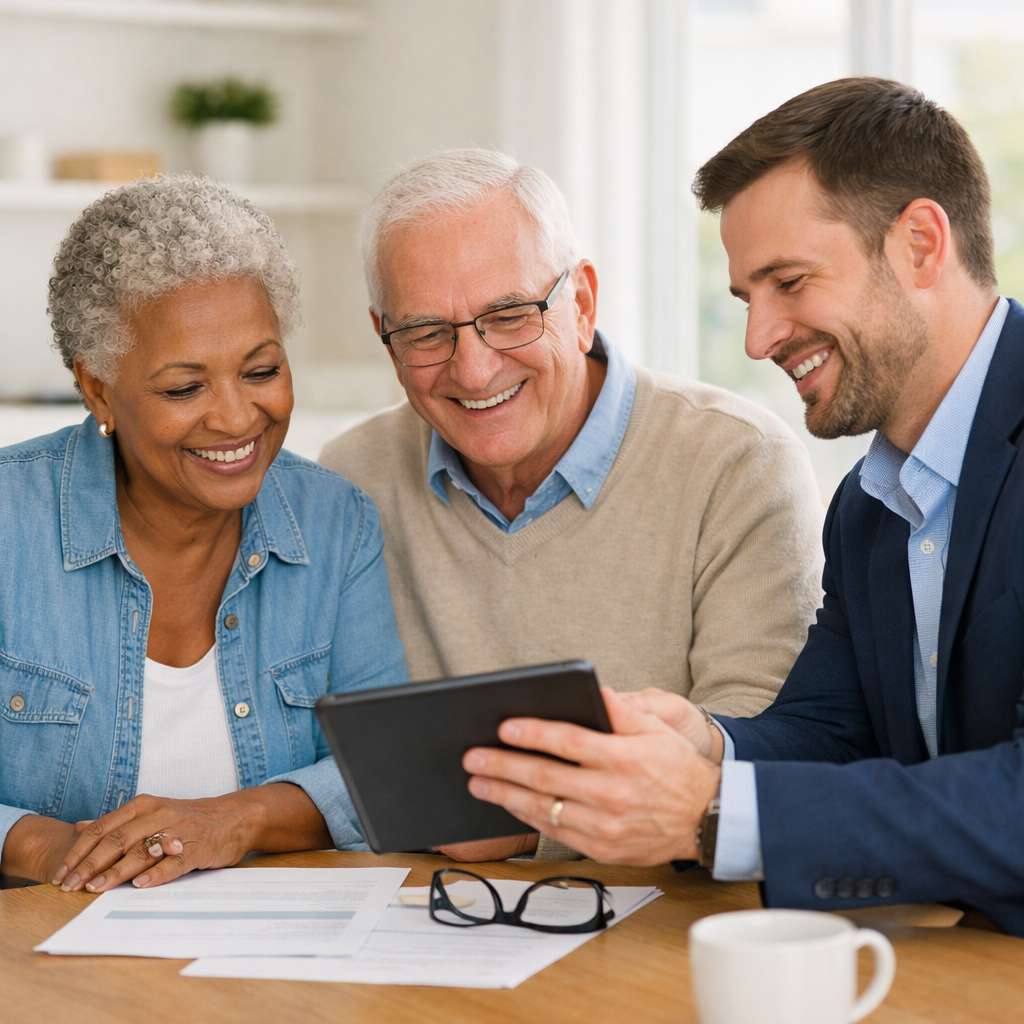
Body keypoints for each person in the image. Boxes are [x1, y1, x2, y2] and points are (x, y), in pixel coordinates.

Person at [458, 79, 1024, 936]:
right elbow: (834, 732)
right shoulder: (868, 509)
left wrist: (715, 811)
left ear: (919, 243)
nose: (759, 339)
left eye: (789, 282)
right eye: (747, 300)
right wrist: (701, 747)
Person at [320, 149, 825, 861]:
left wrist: (528, 825)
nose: (474, 368)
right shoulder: (351, 478)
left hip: (661, 921)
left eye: (510, 314)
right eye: (427, 332)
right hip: (424, 915)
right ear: (385, 336)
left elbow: (752, 760)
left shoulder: (737, 461)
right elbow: (338, 754)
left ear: (582, 303)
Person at [0, 176, 408, 893]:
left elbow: (385, 770)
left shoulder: (336, 523)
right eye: (184, 388)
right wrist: (42, 847)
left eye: (262, 370)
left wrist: (231, 820)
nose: (234, 417)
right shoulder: (11, 520)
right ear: (96, 388)